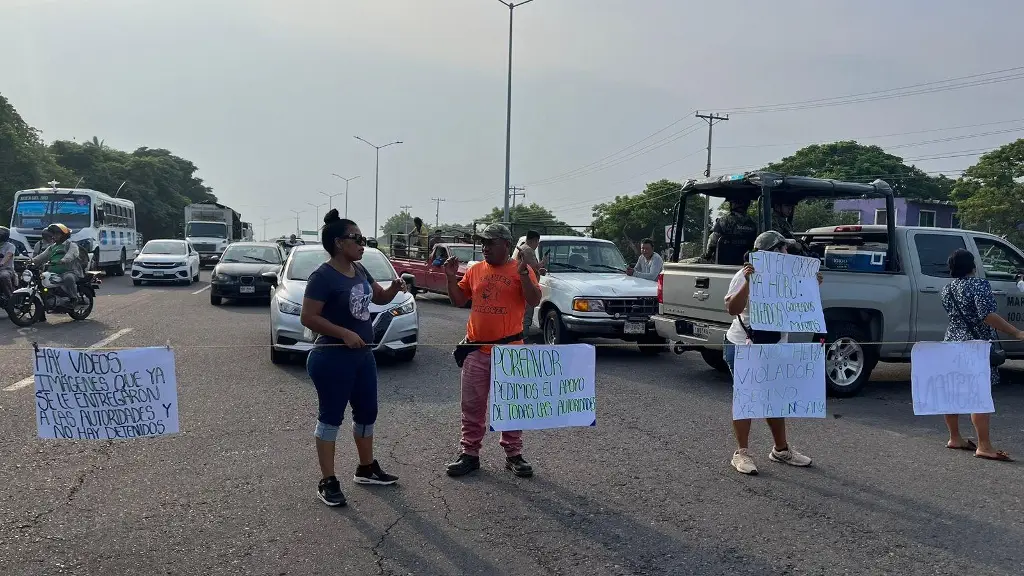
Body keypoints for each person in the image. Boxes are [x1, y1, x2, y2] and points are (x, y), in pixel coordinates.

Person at [300, 209, 407, 507]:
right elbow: (308, 317)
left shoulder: (360, 271)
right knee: (331, 418)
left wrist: (395, 288)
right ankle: (328, 481)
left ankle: (366, 468)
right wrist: (343, 333)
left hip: (362, 357)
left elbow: (379, 298)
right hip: (331, 357)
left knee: (367, 412)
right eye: (356, 238)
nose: (363, 243)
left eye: (363, 238)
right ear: (338, 243)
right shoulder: (322, 276)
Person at [443, 223, 541, 478]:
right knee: (472, 406)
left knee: (511, 405)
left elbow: (534, 300)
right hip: (476, 350)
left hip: (510, 351)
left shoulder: (521, 269)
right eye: (483, 243)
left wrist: (522, 276)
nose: (485, 248)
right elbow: (458, 300)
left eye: (490, 243)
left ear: (506, 245)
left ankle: (513, 454)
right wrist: (450, 277)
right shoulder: (475, 269)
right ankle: (470, 454)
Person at [723, 230, 822, 475]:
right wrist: (748, 283)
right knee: (746, 399)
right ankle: (742, 453)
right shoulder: (745, 274)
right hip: (743, 345)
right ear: (773, 252)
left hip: (774, 347)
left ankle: (781, 450)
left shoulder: (790, 276)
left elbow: (801, 306)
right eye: (783, 249)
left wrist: (811, 284)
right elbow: (731, 308)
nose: (787, 253)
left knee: (775, 398)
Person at [940, 249, 1022, 462]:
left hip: (951, 341)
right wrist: (1016, 332)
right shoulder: (979, 285)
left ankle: (955, 437)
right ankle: (984, 446)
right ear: (972, 265)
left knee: (953, 390)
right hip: (974, 345)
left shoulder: (947, 288)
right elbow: (987, 316)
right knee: (979, 394)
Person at [31, 223, 83, 303]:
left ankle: (74, 298)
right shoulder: (52, 247)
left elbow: (71, 255)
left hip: (70, 271)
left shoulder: (71, 245)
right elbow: (42, 256)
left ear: (64, 235)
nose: (54, 236)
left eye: (57, 234)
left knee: (68, 278)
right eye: (53, 234)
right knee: (42, 278)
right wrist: (31, 261)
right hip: (53, 272)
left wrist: (62, 260)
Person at [702, 197, 757, 264]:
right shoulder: (753, 224)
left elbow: (713, 242)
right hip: (747, 265)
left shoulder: (724, 221)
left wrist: (707, 255)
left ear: (733, 205)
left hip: (724, 264)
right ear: (747, 205)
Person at [516, 230, 545, 334]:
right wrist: (543, 262)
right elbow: (533, 266)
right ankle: (524, 337)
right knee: (527, 314)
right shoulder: (528, 250)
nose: (537, 245)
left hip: (523, 283)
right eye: (538, 242)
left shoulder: (523, 247)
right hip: (528, 284)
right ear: (535, 240)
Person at [0, 226, 16, 299]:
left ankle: (10, 296)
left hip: (5, 269)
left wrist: (2, 263)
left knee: (4, 276)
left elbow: (8, 255)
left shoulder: (10, 246)